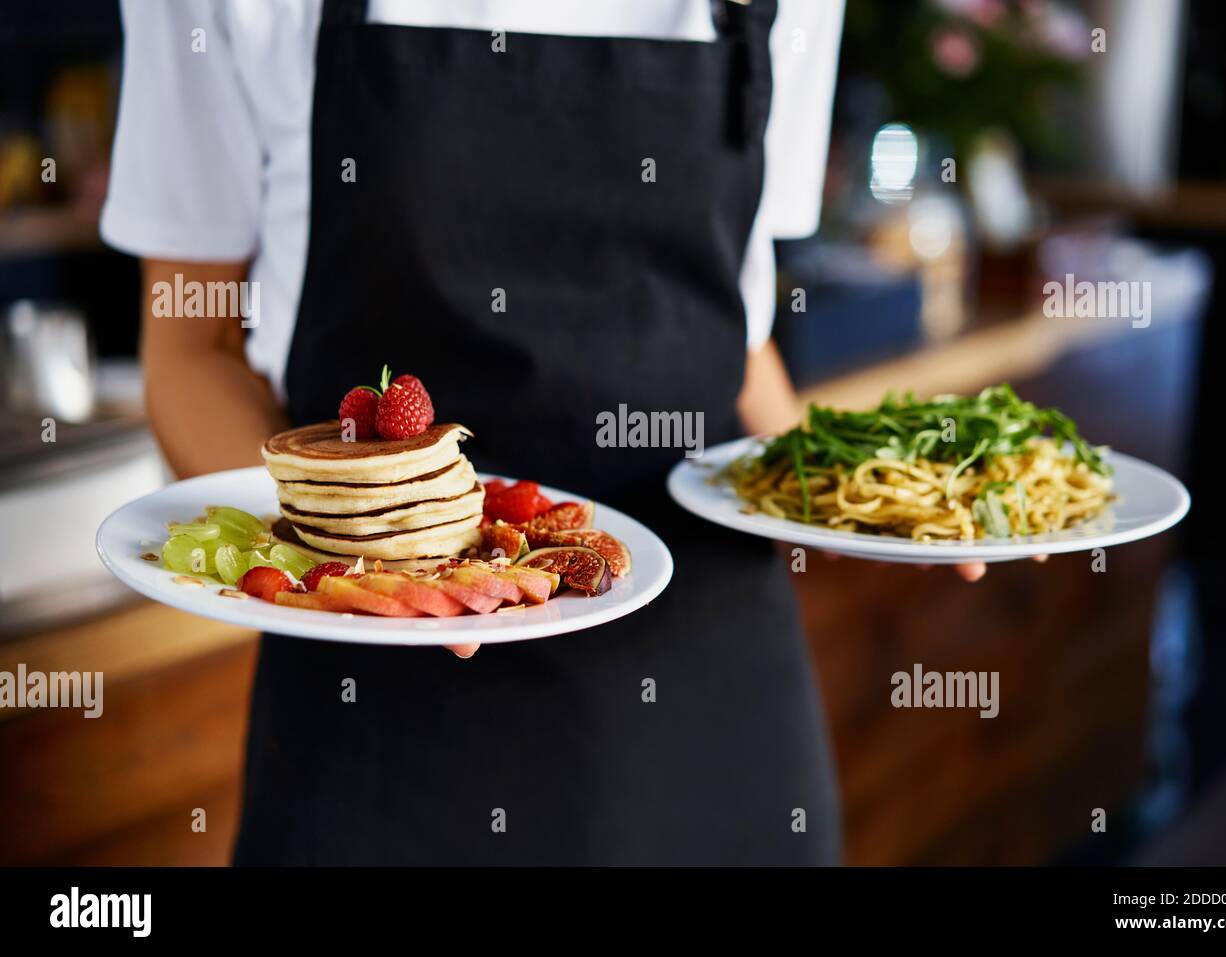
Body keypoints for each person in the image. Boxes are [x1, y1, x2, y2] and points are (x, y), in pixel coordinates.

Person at [103, 0, 980, 865]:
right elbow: (191, 345)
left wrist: (854, 497)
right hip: (377, 717)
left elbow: (733, 335)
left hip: (710, 694)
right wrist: (341, 566)